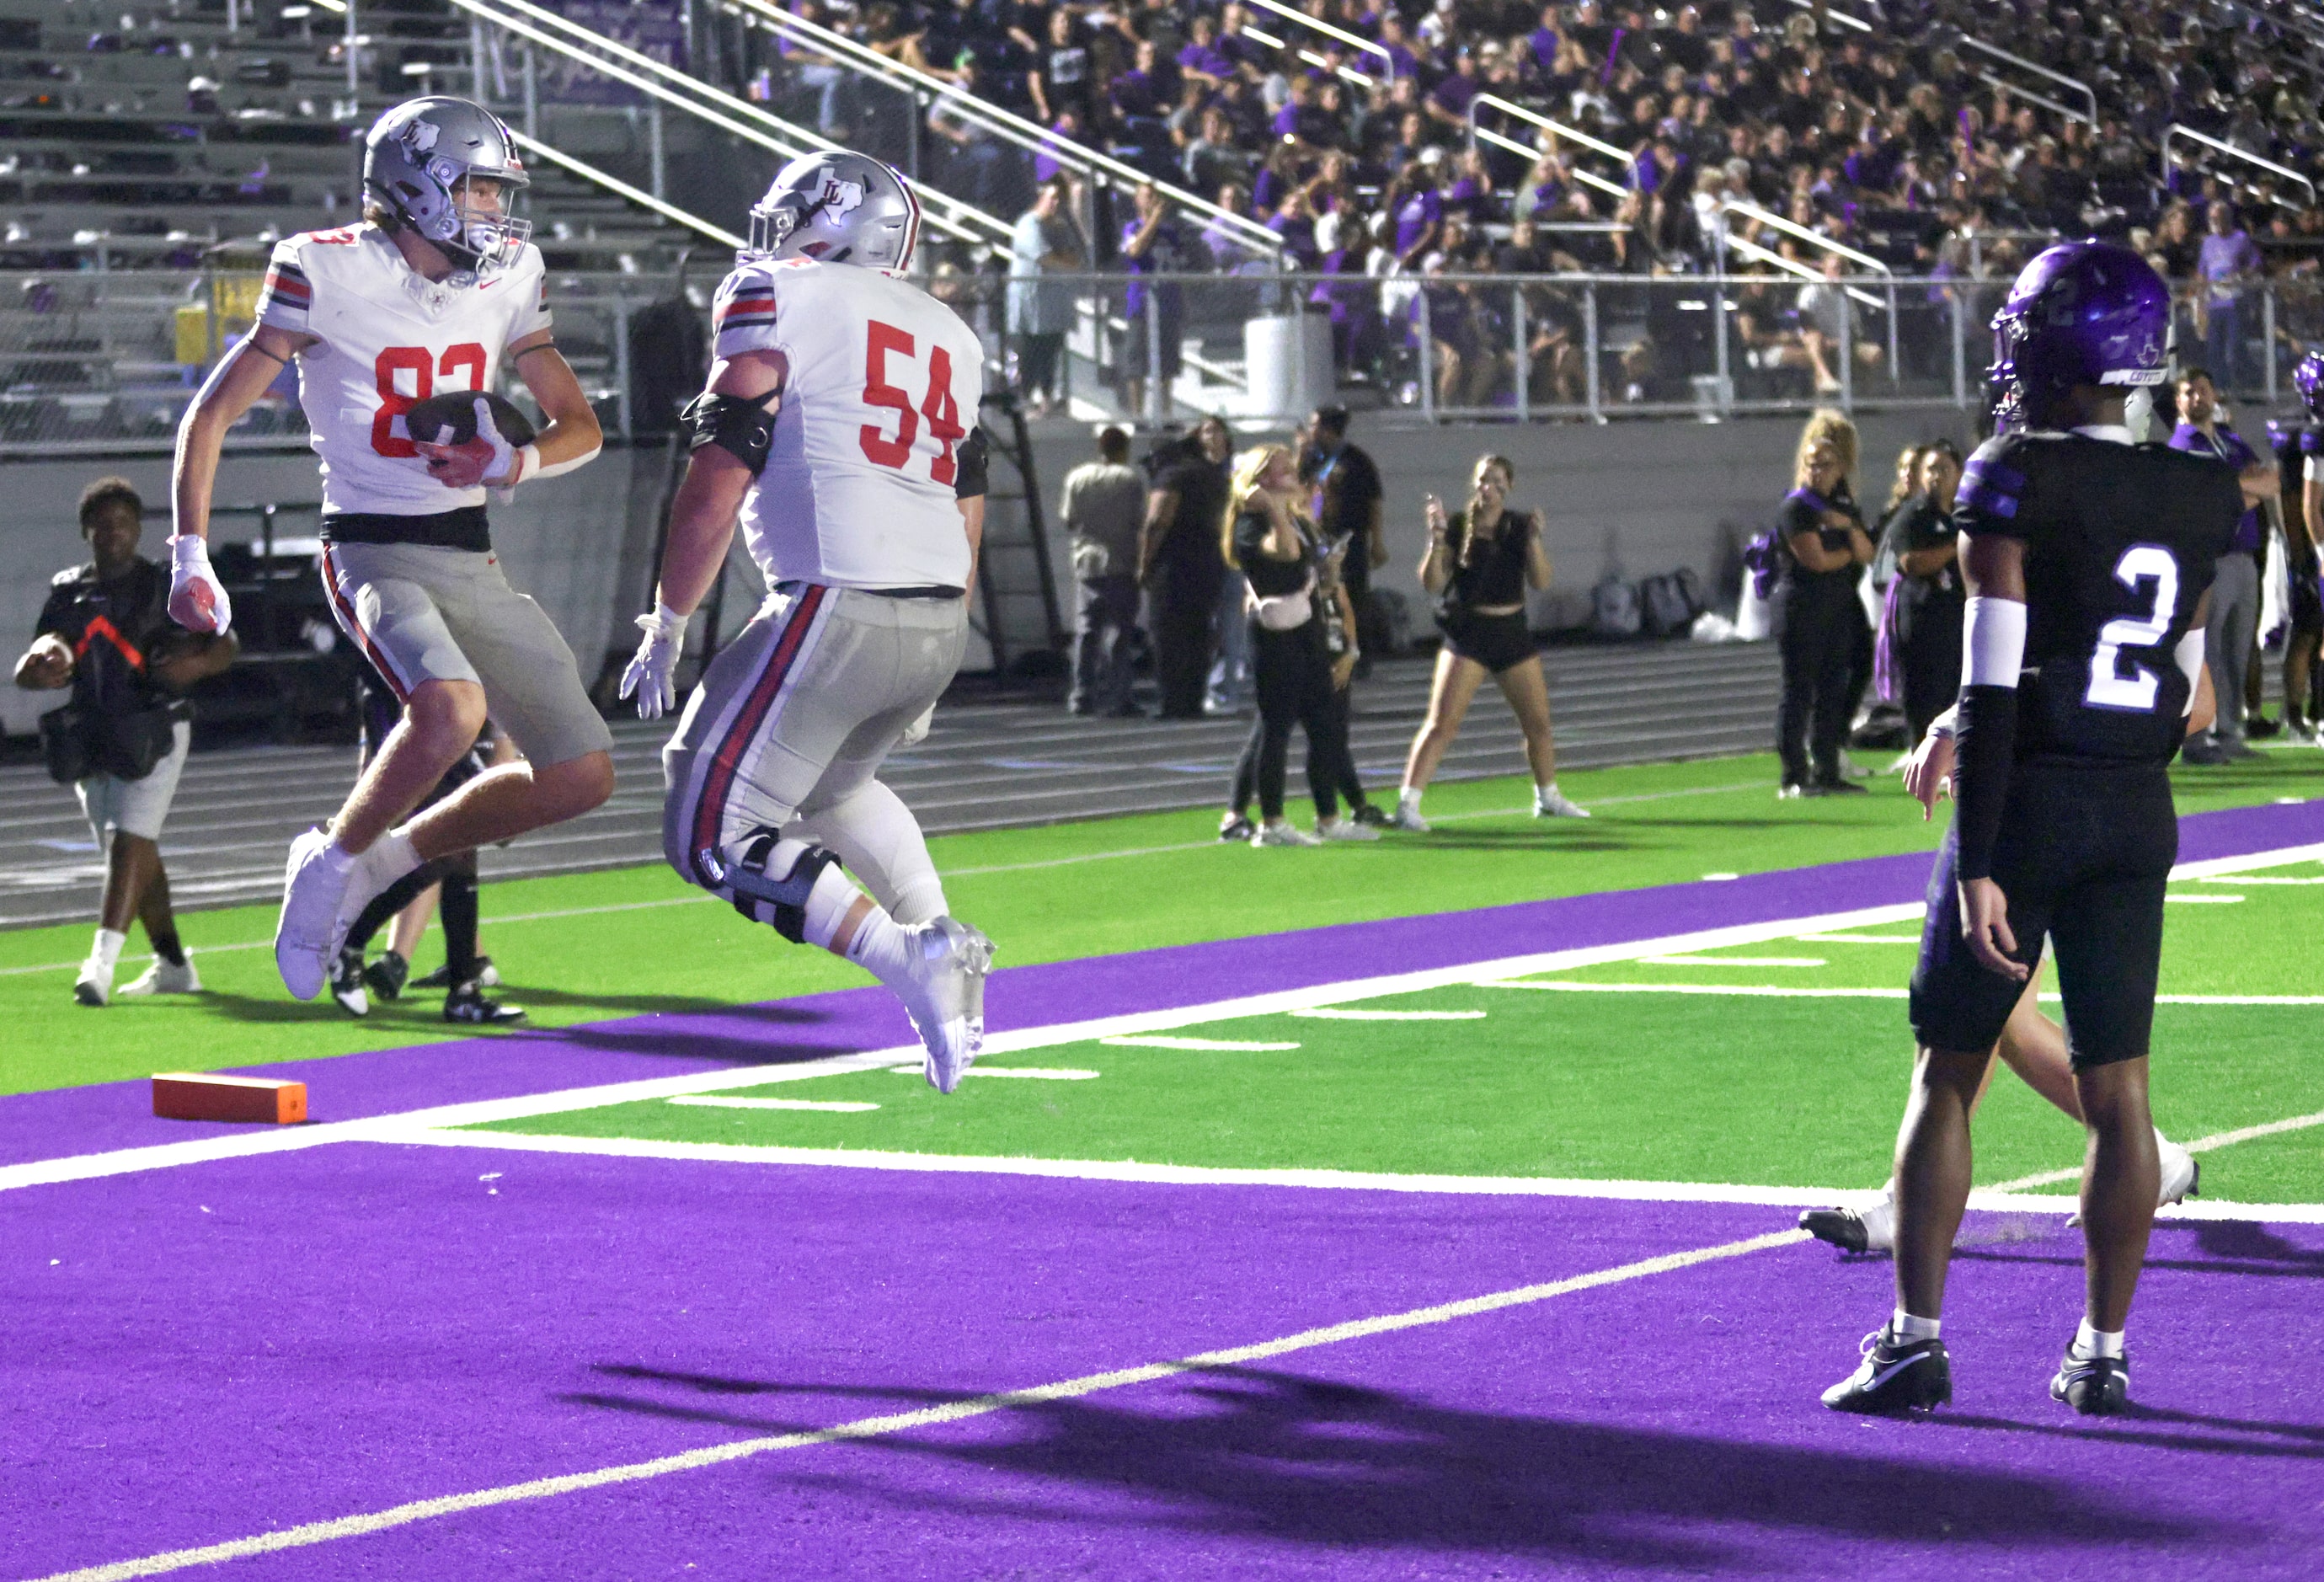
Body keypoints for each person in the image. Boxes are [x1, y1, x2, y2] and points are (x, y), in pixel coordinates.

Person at [1822, 242, 2241, 1419]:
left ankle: (1912, 1341)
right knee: (2120, 1092)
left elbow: (1997, 686)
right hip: (2133, 803)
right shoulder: (2201, 481)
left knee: (1944, 1076)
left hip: (2030, 800)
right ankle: (2101, 1351)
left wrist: (1981, 858)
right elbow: (2191, 695)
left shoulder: (2012, 474)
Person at [167, 96, 614, 1006]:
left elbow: (584, 427)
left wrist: (516, 458)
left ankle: (385, 865)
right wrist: (189, 553)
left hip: (470, 550)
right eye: (480, 187)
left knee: (580, 775)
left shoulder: (510, 273)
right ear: (418, 185)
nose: (495, 209)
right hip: (370, 545)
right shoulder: (321, 268)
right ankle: (329, 863)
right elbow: (211, 412)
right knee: (450, 710)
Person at [619, 152, 993, 1093]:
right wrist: (948, 611)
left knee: (709, 824)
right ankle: (947, 953)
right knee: (829, 788)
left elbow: (720, 469)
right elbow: (968, 492)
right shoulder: (951, 329)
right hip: (936, 612)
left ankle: (909, 957)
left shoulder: (774, 290)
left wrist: (668, 617)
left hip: (837, 601)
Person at [1798, 689, 2205, 1257]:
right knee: (2003, 1017)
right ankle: (2150, 1160)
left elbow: (2196, 697)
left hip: (2044, 811)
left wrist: (1964, 726)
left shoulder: (2066, 603)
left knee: (1982, 1018)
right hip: (2083, 804)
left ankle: (1911, 1242)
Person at [13, 477, 237, 1006]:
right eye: (104, 524)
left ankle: (100, 966)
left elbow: (224, 639)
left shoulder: (164, 584)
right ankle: (174, 963)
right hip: (93, 730)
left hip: (155, 727)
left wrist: (201, 661)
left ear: (138, 529)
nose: (115, 533)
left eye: (124, 523)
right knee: (137, 855)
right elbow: (45, 651)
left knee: (127, 841)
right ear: (86, 531)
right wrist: (36, 669)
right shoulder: (68, 591)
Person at [1388, 455, 1586, 831]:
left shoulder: (1517, 526)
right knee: (1441, 724)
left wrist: (1535, 541)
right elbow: (1431, 583)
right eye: (1482, 480)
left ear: (1508, 485)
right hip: (1470, 635)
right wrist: (1435, 540)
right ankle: (1407, 804)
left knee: (1538, 723)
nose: (1488, 488)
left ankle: (1548, 796)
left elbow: (1541, 581)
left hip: (1511, 632)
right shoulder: (1459, 525)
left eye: (1496, 481)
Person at [328, 664, 522, 1024]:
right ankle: (351, 942)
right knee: (444, 849)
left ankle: (463, 987)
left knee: (461, 847)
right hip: (417, 702)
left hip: (441, 704)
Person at [1218, 444, 1365, 846]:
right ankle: (1272, 822)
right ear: (1260, 478)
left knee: (1322, 723)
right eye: (1281, 469)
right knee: (1276, 726)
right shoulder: (1252, 523)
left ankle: (1329, 817)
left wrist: (1329, 569)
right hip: (1274, 633)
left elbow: (1306, 562)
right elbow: (1283, 552)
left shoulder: (1298, 519)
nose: (1293, 476)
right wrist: (1271, 508)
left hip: (1307, 627)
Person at [2168, 366, 2279, 764]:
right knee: (2205, 653)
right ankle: (2199, 737)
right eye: (2189, 392)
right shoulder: (2181, 446)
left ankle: (2231, 731)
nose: (2198, 398)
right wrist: (2239, 493)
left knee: (2236, 650)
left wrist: (2229, 496)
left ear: (2214, 395)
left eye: (2203, 390)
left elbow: (2270, 483)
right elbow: (2199, 499)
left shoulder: (2230, 442)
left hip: (2244, 557)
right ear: (2178, 401)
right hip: (2208, 559)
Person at [1772, 420, 1875, 797]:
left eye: (1825, 464)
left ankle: (1827, 770)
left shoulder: (1842, 507)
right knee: (1798, 691)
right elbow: (1816, 560)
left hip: (1837, 608)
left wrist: (1846, 529)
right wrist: (1848, 550)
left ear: (1840, 469)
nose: (1817, 470)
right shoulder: (1797, 507)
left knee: (1834, 689)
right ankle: (1793, 776)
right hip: (1802, 607)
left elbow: (1869, 552)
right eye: (1811, 463)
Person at [1137, 414, 1231, 719]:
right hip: (1209, 561)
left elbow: (1156, 522)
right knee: (1198, 634)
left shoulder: (1173, 475)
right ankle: (1193, 698)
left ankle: (1172, 701)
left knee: (1167, 636)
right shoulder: (1212, 474)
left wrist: (1144, 563)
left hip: (1174, 565)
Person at [1880, 439, 1965, 749]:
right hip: (1922, 619)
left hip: (1956, 619)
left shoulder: (1963, 515)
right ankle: (1922, 758)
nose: (1937, 476)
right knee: (1924, 697)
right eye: (1931, 469)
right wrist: (1957, 546)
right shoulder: (1913, 515)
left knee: (1955, 695)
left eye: (1944, 469)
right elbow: (1912, 562)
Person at [1060, 425, 1146, 716]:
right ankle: (1120, 695)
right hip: (1122, 561)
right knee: (1121, 632)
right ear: (1124, 449)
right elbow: (1139, 521)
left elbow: (1069, 519)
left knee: (1087, 631)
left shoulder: (1077, 477)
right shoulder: (1130, 480)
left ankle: (1081, 694)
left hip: (1088, 562)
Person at [1301, 405, 1388, 674]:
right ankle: (1327, 654)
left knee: (1352, 598)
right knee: (1318, 599)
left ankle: (1359, 657)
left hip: (1349, 540)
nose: (1310, 430)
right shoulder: (1310, 458)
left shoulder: (1356, 461)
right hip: (1318, 540)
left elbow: (1374, 502)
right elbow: (1301, 491)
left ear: (1327, 429)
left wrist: (1378, 541)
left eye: (1314, 425)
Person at [1007, 178, 1082, 415]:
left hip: (1052, 307)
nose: (1056, 204)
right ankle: (1025, 398)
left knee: (1050, 353)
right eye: (1052, 198)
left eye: (1061, 199)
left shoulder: (1059, 228)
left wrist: (1062, 259)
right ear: (1042, 197)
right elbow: (1043, 257)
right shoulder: (1028, 225)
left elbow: (1075, 258)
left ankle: (1049, 399)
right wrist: (1062, 262)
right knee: (1029, 354)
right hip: (1031, 306)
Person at [1119, 182, 1187, 420]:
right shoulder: (1132, 227)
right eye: (1147, 196)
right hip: (1141, 302)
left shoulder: (1170, 233)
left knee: (1166, 366)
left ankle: (1165, 414)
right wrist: (1153, 220)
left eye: (1155, 196)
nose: (1152, 200)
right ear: (1137, 201)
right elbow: (1135, 250)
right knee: (1136, 362)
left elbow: (1180, 260)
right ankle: (1138, 415)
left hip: (1167, 302)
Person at [2196, 202, 2260, 392]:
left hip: (2235, 302)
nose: (2214, 222)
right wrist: (2200, 303)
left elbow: (2255, 263)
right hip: (2214, 304)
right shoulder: (2208, 243)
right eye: (2211, 219)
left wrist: (2239, 276)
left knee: (2235, 347)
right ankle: (2220, 390)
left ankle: (2247, 387)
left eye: (2217, 218)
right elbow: (2202, 273)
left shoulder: (2241, 238)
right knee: (2214, 350)